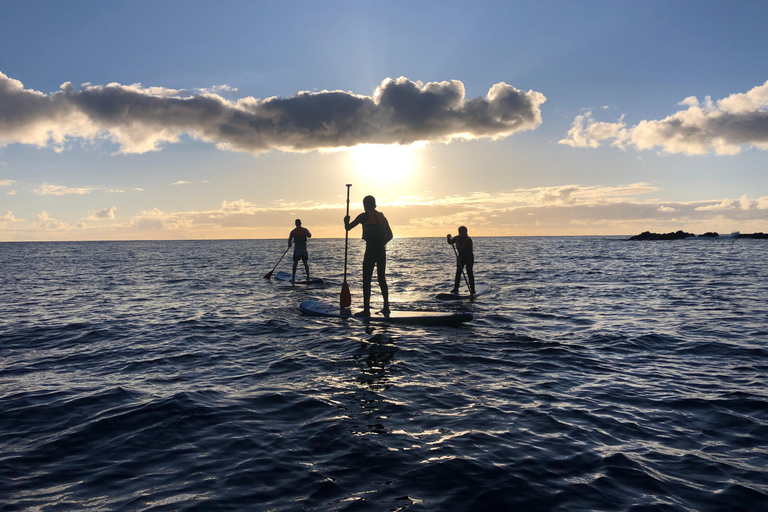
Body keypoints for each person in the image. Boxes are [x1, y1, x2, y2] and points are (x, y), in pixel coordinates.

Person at [344, 195, 393, 316]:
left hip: (371, 249)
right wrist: (382, 242)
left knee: (367, 279)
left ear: (365, 205)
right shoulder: (383, 217)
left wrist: (345, 221)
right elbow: (390, 235)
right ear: (375, 205)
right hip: (381, 250)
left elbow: (348, 227)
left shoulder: (364, 215)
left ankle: (366, 310)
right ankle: (386, 307)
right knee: (382, 278)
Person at [447, 226, 475, 295]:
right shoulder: (457, 238)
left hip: (469, 258)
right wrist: (448, 237)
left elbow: (468, 251)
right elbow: (450, 242)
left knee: (469, 272)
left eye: (463, 232)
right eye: (460, 232)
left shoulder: (468, 240)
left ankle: (473, 289)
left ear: (466, 232)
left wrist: (461, 257)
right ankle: (456, 288)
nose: (461, 234)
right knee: (458, 273)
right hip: (460, 258)